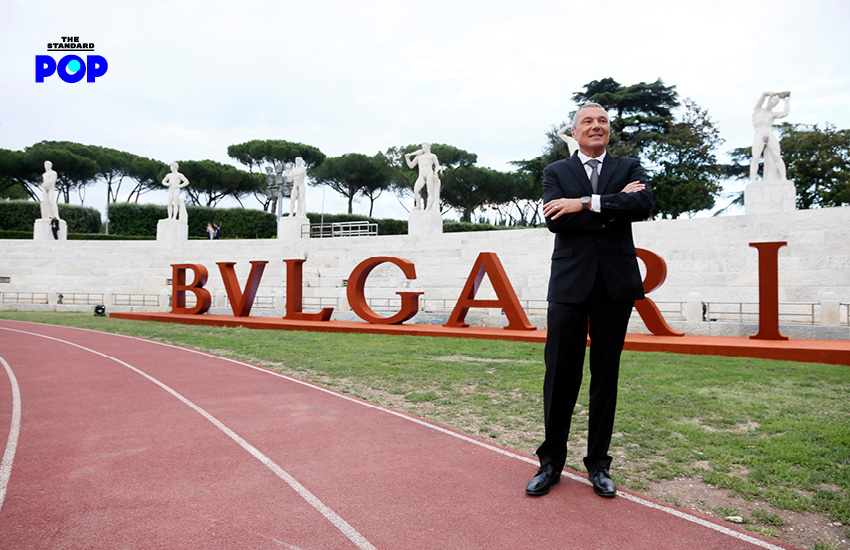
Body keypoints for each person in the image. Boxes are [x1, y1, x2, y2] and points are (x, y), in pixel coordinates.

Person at [526, 102, 655, 498]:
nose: (595, 126)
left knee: (605, 377)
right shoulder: (555, 172)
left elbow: (644, 205)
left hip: (614, 286)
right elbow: (555, 220)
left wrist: (583, 202)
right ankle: (550, 463)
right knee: (560, 376)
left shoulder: (630, 167)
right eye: (587, 121)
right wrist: (615, 204)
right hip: (569, 287)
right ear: (575, 130)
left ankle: (598, 464)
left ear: (609, 129)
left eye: (602, 121)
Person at [750, 91, 790, 182]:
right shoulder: (757, 109)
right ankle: (752, 179)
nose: (772, 104)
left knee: (777, 156)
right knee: (756, 157)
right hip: (759, 134)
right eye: (771, 101)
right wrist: (779, 94)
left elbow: (785, 113)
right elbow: (764, 93)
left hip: (769, 133)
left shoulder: (772, 114)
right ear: (768, 100)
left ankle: (783, 178)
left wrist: (787, 101)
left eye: (774, 103)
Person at [405, 143, 441, 211]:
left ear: (428, 147)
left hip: (429, 173)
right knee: (416, 190)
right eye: (422, 147)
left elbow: (437, 165)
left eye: (424, 147)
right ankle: (418, 205)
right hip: (421, 175)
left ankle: (428, 209)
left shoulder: (432, 156)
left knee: (430, 192)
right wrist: (407, 158)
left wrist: (435, 172)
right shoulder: (419, 157)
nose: (423, 148)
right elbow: (411, 165)